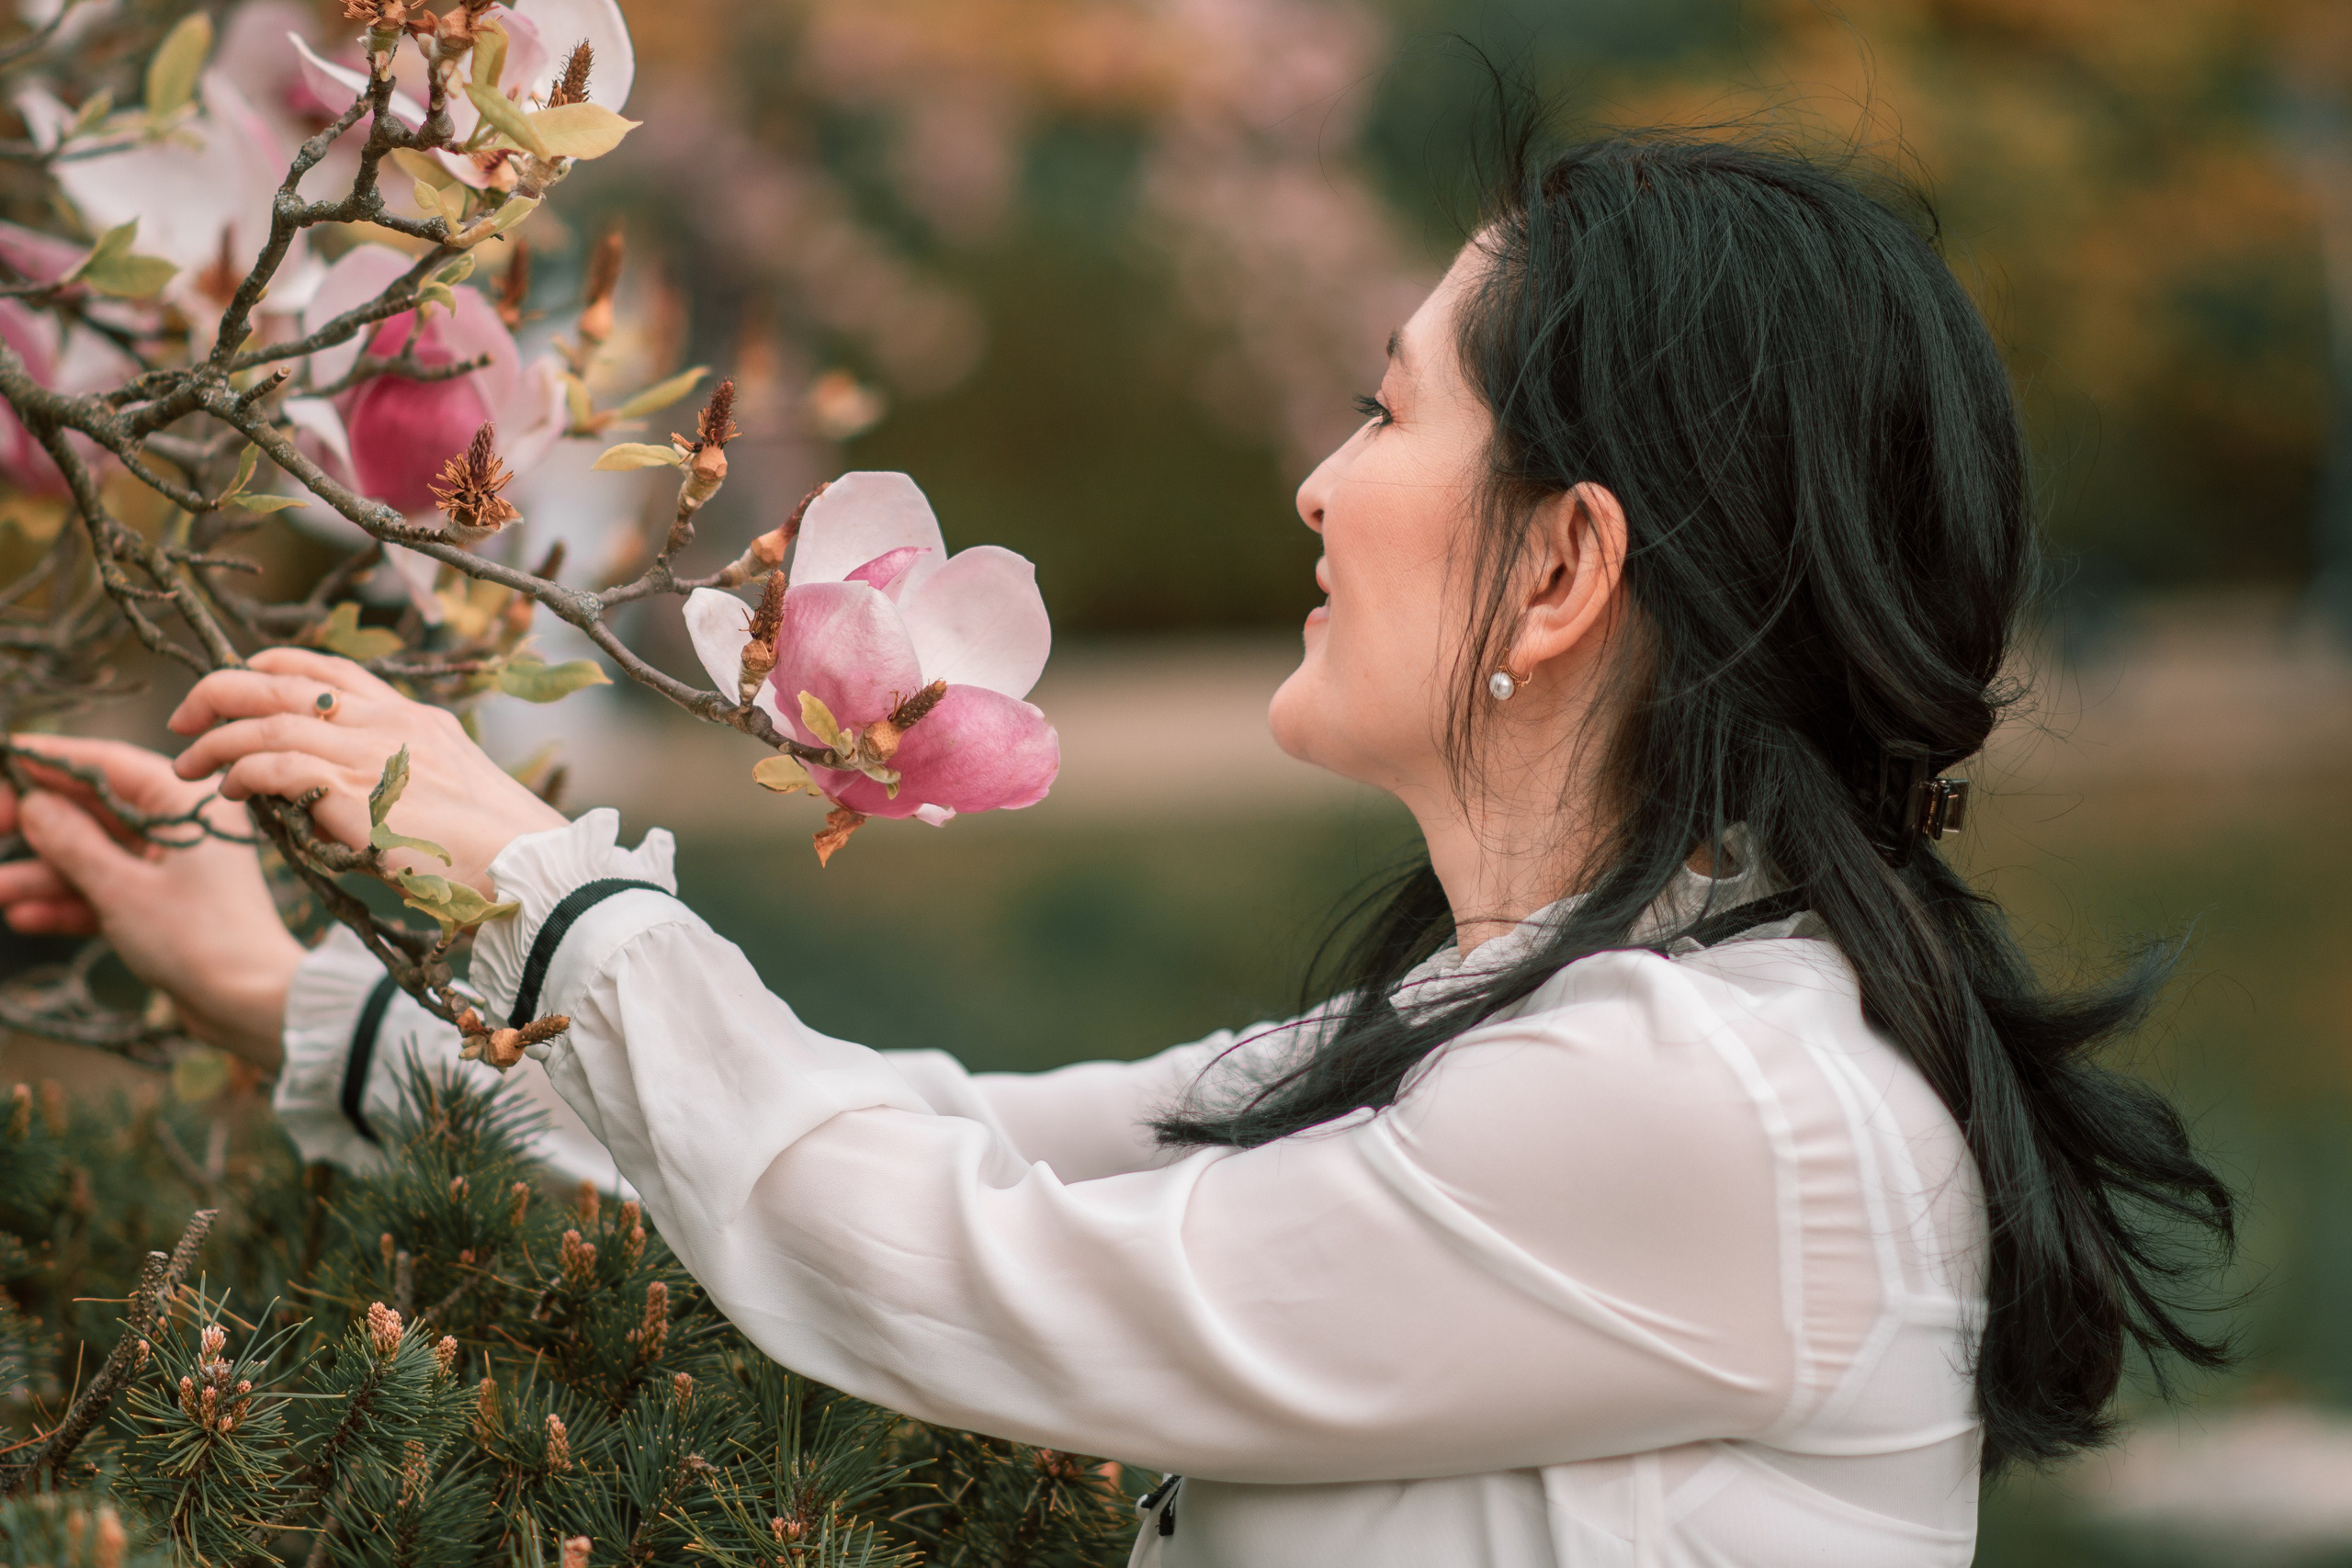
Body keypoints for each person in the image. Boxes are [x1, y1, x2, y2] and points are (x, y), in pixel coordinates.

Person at [0, 129, 2233, 1566]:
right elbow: (930, 1142)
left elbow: (971, 1267)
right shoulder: (1550, 1025)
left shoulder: (1698, 1100)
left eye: (1385, 406)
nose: (1313, 479)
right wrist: (292, 995)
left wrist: (539, 879)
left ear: (1559, 573)